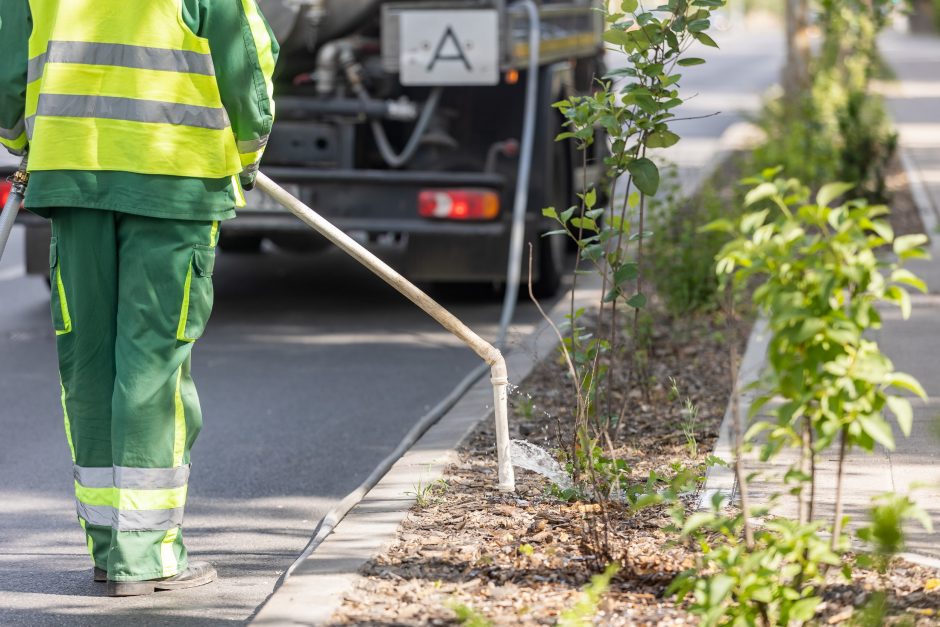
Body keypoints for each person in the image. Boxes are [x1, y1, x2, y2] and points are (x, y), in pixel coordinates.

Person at [0, 0, 278, 596]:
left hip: (71, 179)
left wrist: (23, 143)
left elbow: (6, 68)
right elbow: (246, 58)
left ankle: (110, 551)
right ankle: (146, 557)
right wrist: (249, 154)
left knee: (90, 365)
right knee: (151, 369)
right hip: (175, 182)